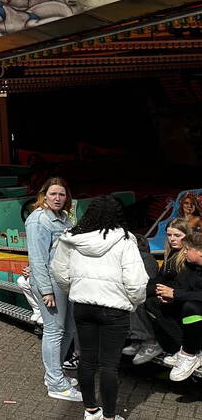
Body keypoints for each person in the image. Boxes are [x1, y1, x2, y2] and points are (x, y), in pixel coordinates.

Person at [51, 196, 148, 420]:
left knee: (86, 359)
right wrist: (133, 302)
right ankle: (109, 417)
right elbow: (136, 282)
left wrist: (75, 290)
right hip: (115, 310)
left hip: (83, 306)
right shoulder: (125, 241)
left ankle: (91, 410)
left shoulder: (71, 239)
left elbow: (59, 272)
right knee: (109, 365)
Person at [25, 177, 80, 402]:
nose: (58, 198)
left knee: (68, 329)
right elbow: (37, 259)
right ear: (44, 195)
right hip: (50, 282)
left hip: (65, 281)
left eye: (62, 194)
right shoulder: (38, 220)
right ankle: (56, 383)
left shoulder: (65, 219)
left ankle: (55, 374)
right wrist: (46, 291)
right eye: (53, 194)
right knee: (54, 330)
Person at [144, 219, 192, 367]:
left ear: (187, 235)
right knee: (140, 299)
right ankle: (149, 340)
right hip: (170, 294)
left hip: (185, 299)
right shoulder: (171, 253)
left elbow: (181, 284)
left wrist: (152, 289)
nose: (172, 239)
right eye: (169, 235)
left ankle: (186, 348)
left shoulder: (189, 255)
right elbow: (160, 278)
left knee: (154, 304)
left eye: (177, 235)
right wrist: (144, 288)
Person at [160, 231, 202, 381]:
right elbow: (180, 287)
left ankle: (190, 354)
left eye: (187, 249)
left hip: (196, 311)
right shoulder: (190, 266)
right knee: (154, 303)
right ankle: (182, 347)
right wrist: (170, 296)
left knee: (191, 308)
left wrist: (176, 295)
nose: (183, 252)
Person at [121, 233, 161, 364]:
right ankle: (138, 339)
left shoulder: (145, 258)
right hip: (144, 290)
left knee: (136, 300)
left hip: (149, 292)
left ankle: (149, 341)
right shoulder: (141, 258)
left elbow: (146, 281)